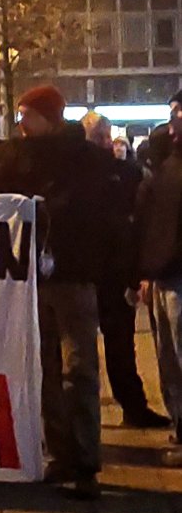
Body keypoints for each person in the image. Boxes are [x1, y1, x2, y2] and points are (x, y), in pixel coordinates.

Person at [0, 85, 120, 499]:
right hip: (32, 276)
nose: (22, 124)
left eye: (28, 116)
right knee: (45, 366)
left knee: (77, 368)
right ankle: (60, 452)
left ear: (49, 117)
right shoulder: (15, 156)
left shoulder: (86, 160)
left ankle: (85, 461)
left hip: (73, 274)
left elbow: (101, 214)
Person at [81, 111, 168, 429]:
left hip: (106, 271)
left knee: (114, 345)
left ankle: (127, 406)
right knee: (110, 345)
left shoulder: (120, 173)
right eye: (100, 137)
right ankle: (127, 406)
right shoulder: (119, 174)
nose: (106, 143)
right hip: (103, 270)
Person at [137, 98, 182, 454]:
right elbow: (152, 224)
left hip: (175, 276)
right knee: (169, 362)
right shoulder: (168, 167)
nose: (173, 124)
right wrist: (146, 273)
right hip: (163, 276)